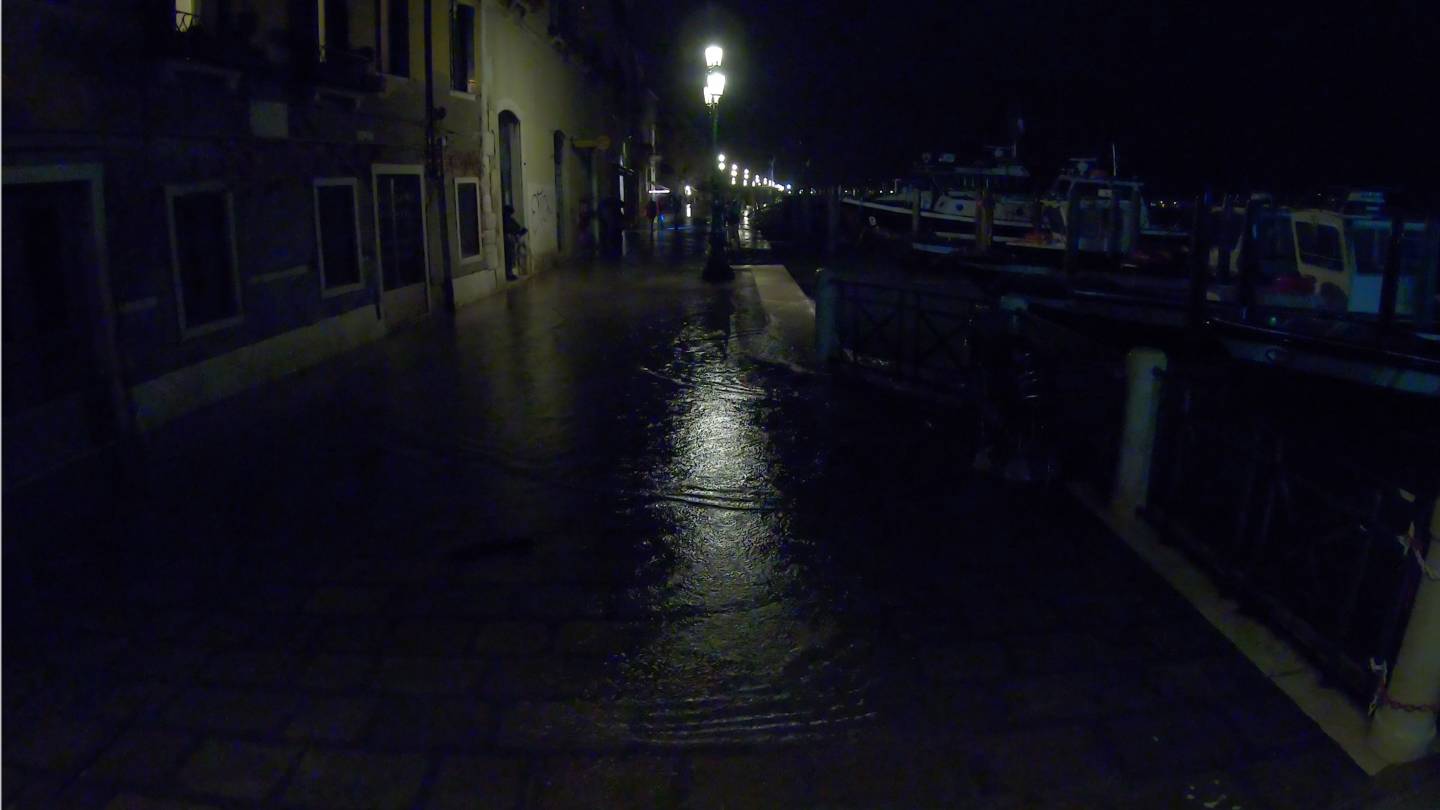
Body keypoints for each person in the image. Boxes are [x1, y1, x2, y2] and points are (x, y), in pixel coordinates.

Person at [502, 204, 527, 280]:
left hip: (511, 240)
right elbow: (513, 228)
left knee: (511, 256)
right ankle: (509, 274)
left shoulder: (508, 219)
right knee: (510, 257)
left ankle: (510, 273)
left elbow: (516, 228)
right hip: (509, 240)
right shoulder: (506, 219)